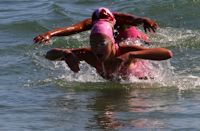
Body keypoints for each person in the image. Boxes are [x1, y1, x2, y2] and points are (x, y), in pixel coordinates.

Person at [33, 7, 172, 80]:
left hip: (131, 45)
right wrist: (63, 52)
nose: (95, 48)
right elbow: (50, 54)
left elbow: (166, 53)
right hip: (110, 42)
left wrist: (131, 54)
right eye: (92, 43)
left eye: (99, 44)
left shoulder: (121, 23)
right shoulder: (90, 52)